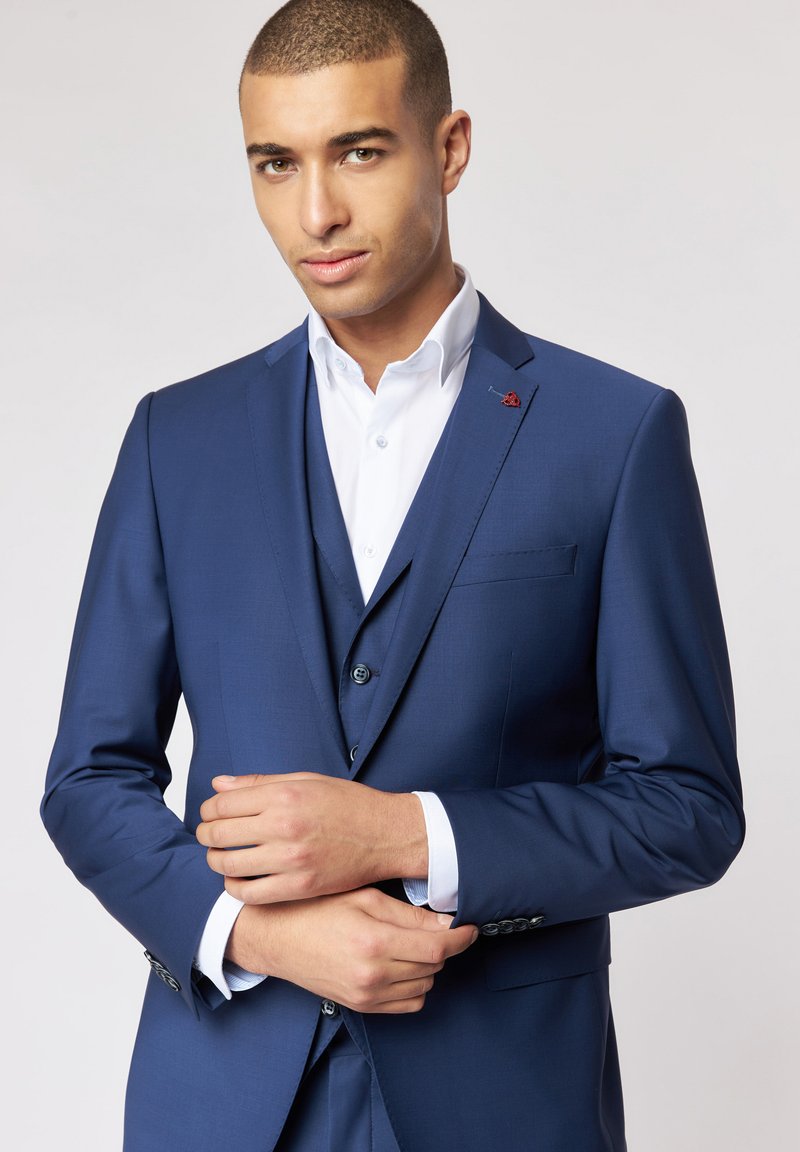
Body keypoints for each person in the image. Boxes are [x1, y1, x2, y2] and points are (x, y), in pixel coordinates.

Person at [42, 1, 745, 1149]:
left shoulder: (612, 436)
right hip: (220, 1103)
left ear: (449, 147)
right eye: (275, 164)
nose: (314, 212)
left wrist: (406, 835)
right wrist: (254, 934)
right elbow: (87, 779)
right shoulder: (178, 439)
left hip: (504, 1102)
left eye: (358, 152)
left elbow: (686, 809)